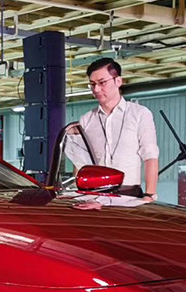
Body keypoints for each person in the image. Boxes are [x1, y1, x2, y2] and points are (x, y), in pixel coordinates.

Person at [62, 58, 159, 200]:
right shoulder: (86, 120)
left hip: (129, 195)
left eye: (102, 83)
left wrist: (149, 194)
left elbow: (150, 156)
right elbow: (81, 164)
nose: (96, 89)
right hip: (94, 196)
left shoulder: (140, 114)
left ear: (118, 81)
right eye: (92, 84)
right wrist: (78, 193)